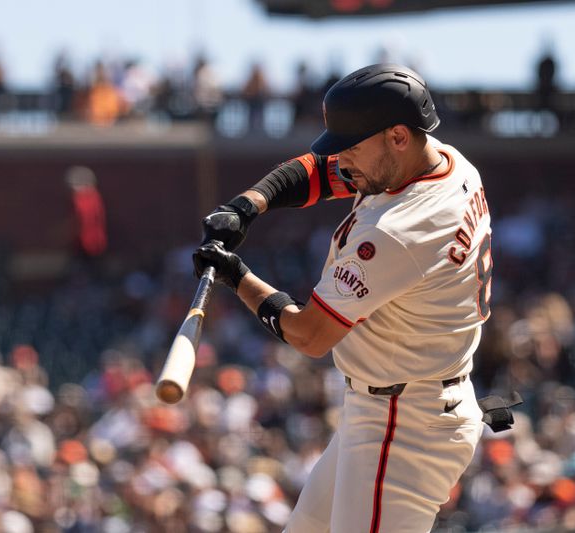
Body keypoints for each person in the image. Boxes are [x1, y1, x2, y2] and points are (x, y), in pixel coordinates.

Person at [193, 63, 514, 532]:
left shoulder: (398, 231)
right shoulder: (439, 160)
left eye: (352, 147)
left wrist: (234, 275)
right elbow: (321, 173)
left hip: (405, 428)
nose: (342, 160)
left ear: (398, 136)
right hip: (394, 407)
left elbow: (310, 335)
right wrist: (247, 206)